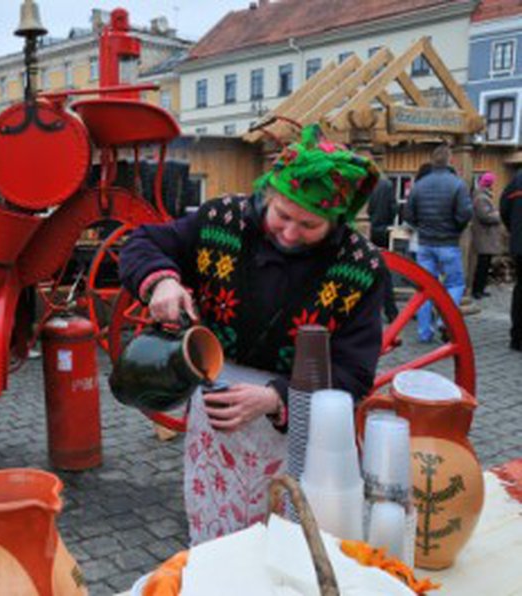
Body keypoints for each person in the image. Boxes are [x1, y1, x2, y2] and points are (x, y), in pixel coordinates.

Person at [119, 125, 385, 543]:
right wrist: (161, 281)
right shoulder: (221, 221)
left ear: (338, 219)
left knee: (289, 542)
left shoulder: (360, 267)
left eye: (309, 224)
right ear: (268, 193)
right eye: (282, 215)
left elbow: (353, 373)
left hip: (299, 422)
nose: (291, 233)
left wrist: (276, 397)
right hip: (215, 407)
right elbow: (142, 243)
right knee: (216, 541)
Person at [405, 145, 472, 343]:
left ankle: (424, 332)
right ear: (450, 160)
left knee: (425, 288)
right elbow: (465, 214)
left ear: (432, 161)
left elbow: (408, 215)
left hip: (425, 244)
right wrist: (456, 229)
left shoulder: (419, 185)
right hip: (449, 243)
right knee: (456, 284)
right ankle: (445, 320)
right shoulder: (458, 185)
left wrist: (422, 227)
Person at [368, 176, 399, 321]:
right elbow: (393, 209)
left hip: (360, 232)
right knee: (384, 273)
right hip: (380, 231)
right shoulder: (385, 184)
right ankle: (390, 310)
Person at [500, 170, 522, 351]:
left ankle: (517, 338)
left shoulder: (517, 179)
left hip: (519, 244)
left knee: (520, 290)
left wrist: (514, 230)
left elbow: (504, 208)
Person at [471, 172, 502, 300]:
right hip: (484, 236)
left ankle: (480, 289)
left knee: (485, 264)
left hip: (486, 236)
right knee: (482, 265)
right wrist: (499, 215)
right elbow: (485, 216)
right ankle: (477, 290)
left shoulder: (483, 196)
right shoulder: (481, 198)